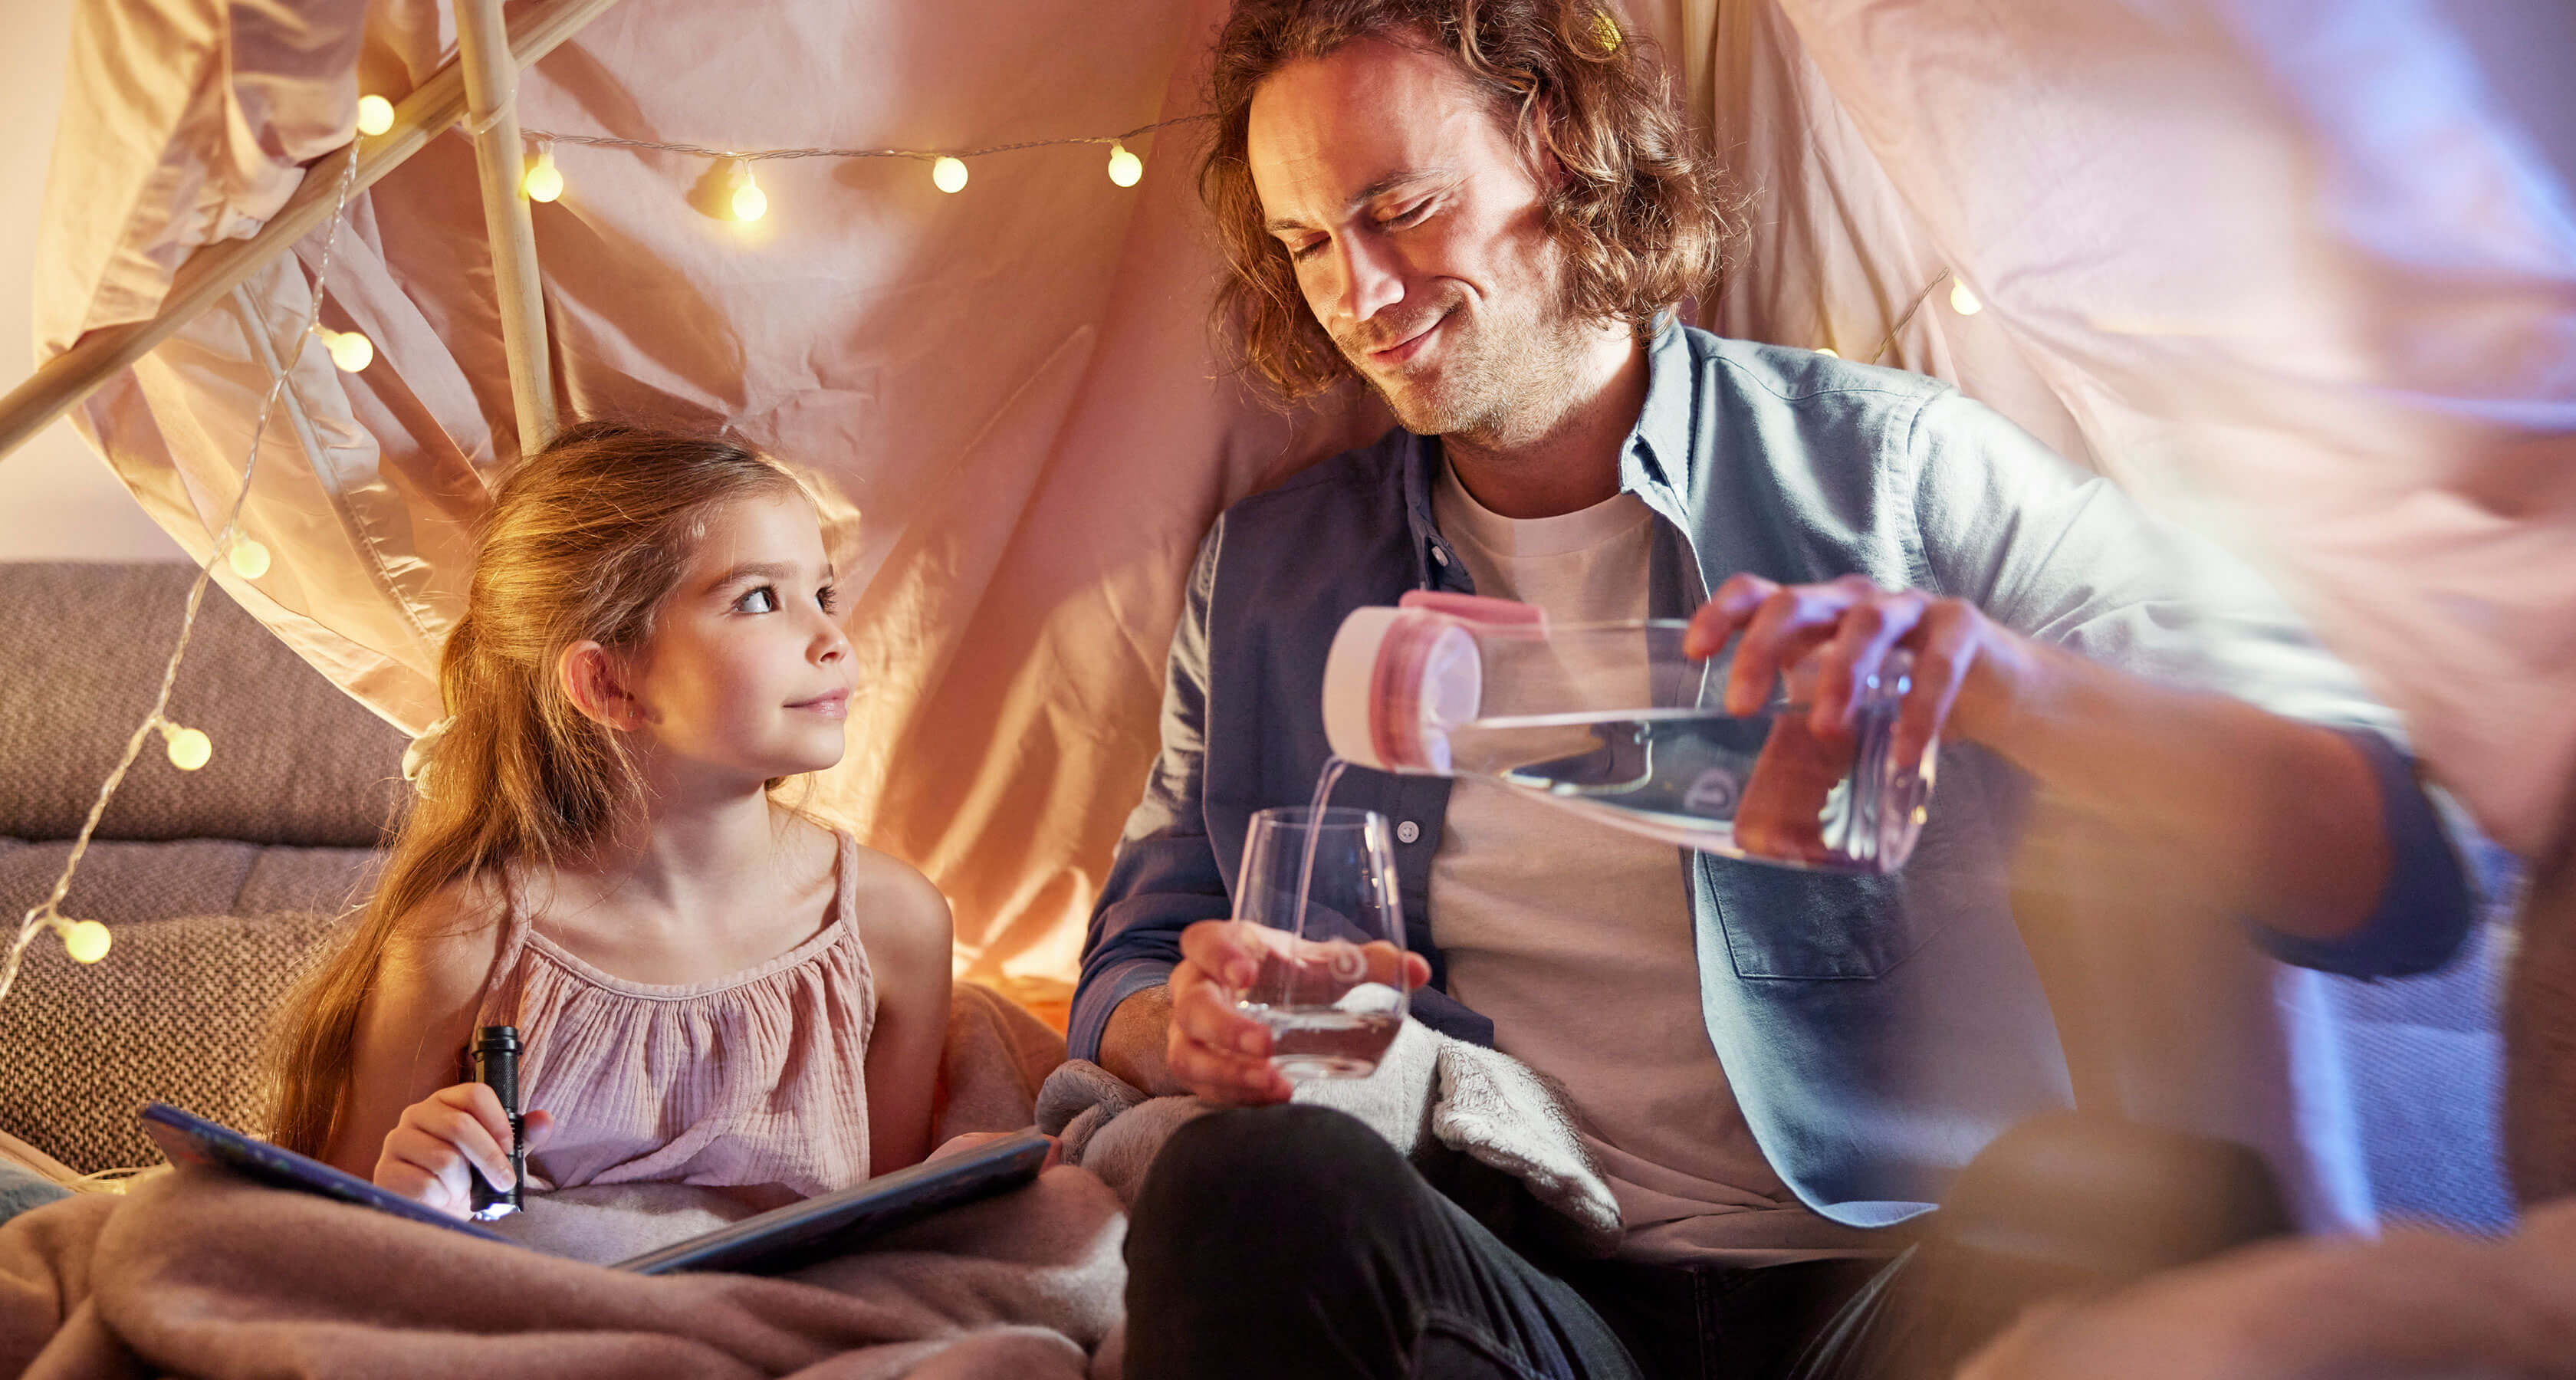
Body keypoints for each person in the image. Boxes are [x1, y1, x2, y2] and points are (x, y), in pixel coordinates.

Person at [1074, 2, 2481, 1376]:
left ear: (1554, 142)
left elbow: (2391, 876)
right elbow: (1133, 963)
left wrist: (1998, 682)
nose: (1356, 296)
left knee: (2165, 1203)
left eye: (1400, 208)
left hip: (1890, 1291)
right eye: (1309, 242)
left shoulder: (1898, 477)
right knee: (1245, 1187)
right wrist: (1179, 1024)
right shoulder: (1272, 578)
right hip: (1513, 1283)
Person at [262, 421, 956, 1217]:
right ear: (608, 686)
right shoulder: (465, 949)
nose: (834, 638)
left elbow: (894, 1250)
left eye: (823, 593)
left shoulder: (893, 926)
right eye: (760, 598)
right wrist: (414, 1190)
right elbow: (335, 1245)